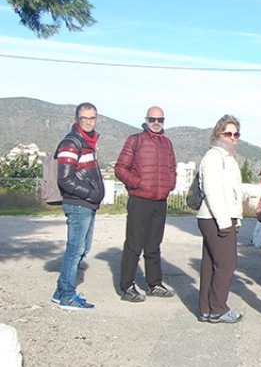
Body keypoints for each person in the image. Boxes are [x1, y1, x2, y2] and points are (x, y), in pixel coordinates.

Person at [114, 106, 177, 302]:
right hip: (140, 200)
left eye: (160, 120)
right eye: (152, 119)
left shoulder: (167, 143)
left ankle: (154, 284)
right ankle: (127, 287)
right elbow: (120, 168)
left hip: (160, 201)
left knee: (154, 245)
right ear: (146, 120)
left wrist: (169, 185)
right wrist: (137, 184)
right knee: (134, 244)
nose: (156, 123)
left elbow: (172, 168)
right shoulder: (135, 140)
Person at [52, 102, 105, 310]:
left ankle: (60, 292)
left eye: (92, 118)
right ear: (77, 119)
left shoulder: (87, 141)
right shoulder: (72, 142)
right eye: (84, 118)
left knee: (82, 249)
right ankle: (67, 296)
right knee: (75, 251)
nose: (89, 122)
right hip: (78, 204)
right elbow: (65, 179)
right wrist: (91, 194)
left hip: (87, 204)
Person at [196, 115, 244, 323]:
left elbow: (233, 193)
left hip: (221, 217)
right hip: (215, 218)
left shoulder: (228, 158)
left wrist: (237, 219)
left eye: (236, 134)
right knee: (226, 264)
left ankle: (206, 308)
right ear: (218, 134)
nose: (233, 137)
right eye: (228, 133)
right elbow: (212, 190)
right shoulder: (214, 157)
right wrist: (225, 222)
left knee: (210, 265)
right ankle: (218, 307)